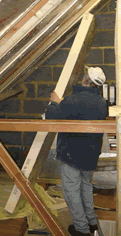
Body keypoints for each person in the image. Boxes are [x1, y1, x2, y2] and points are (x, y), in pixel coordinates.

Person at [45, 66, 107, 236]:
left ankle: (81, 230)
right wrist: (62, 102)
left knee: (72, 191)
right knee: (85, 187)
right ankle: (91, 222)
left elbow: (52, 117)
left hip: (72, 153)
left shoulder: (73, 100)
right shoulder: (101, 102)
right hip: (90, 154)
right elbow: (82, 111)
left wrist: (55, 103)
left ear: (84, 80)